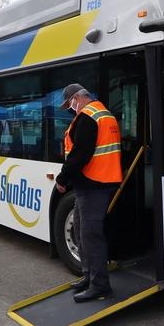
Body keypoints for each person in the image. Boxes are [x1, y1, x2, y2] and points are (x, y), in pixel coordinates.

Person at [55, 84, 123, 302]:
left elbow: (79, 154)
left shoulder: (88, 117)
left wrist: (62, 179)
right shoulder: (104, 113)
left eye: (69, 104)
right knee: (82, 232)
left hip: (94, 185)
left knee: (91, 236)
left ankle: (100, 285)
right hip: (96, 183)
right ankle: (88, 277)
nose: (69, 109)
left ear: (77, 98)